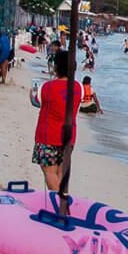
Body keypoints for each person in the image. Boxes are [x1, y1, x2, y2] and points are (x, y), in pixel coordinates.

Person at [31, 51, 83, 201]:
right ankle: (61, 201)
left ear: (56, 67)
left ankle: (61, 203)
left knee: (50, 172)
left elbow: (36, 101)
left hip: (48, 135)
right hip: (69, 135)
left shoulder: (46, 87)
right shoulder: (78, 88)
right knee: (61, 172)